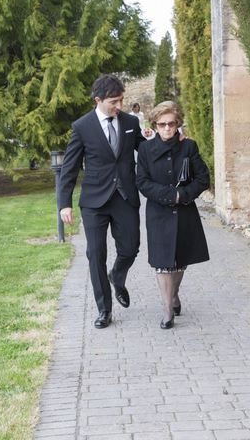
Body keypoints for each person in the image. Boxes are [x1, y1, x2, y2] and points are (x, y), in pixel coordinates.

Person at [58, 74, 153, 329]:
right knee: (95, 254)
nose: (118, 106)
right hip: (94, 202)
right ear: (98, 100)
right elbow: (69, 168)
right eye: (113, 101)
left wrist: (169, 139)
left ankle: (117, 275)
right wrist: (63, 203)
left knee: (131, 248)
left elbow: (147, 150)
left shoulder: (131, 123)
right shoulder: (82, 127)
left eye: (121, 100)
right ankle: (104, 309)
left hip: (125, 197)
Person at [135, 101, 210, 329]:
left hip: (185, 211)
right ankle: (168, 310)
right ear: (155, 125)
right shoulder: (146, 150)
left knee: (179, 262)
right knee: (162, 263)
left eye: (171, 124)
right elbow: (142, 182)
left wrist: (183, 195)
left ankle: (174, 294)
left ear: (178, 124)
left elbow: (203, 179)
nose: (167, 128)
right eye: (162, 124)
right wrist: (170, 195)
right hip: (158, 213)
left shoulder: (189, 147)